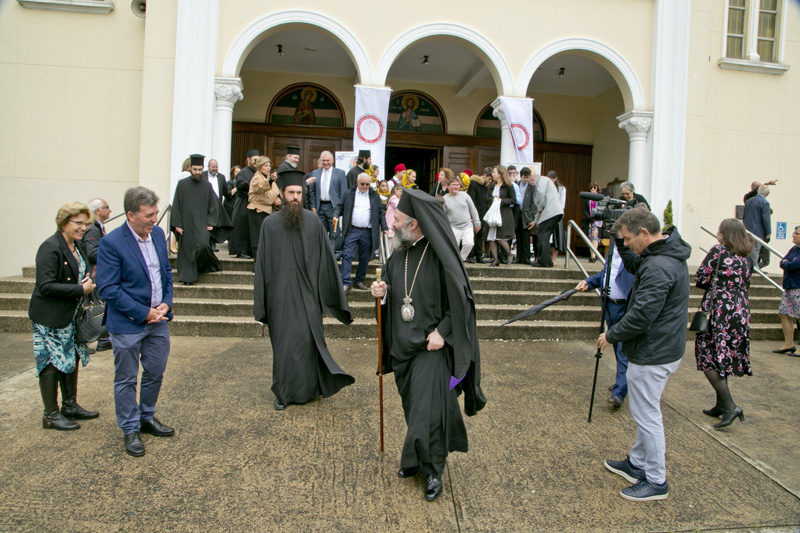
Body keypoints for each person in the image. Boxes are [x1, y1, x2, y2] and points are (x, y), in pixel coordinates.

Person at [370, 188, 486, 502]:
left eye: (398, 219)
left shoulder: (440, 255)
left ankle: (433, 469)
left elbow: (461, 302)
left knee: (429, 413)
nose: (392, 224)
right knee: (414, 410)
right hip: (404, 348)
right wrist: (382, 294)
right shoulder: (398, 253)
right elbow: (397, 296)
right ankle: (418, 459)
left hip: (432, 349)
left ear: (416, 224)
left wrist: (442, 332)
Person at [599, 206, 691, 501]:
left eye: (627, 239)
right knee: (645, 411)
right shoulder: (662, 255)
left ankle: (656, 480)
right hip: (661, 348)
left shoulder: (660, 265)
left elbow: (641, 315)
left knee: (647, 415)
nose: (625, 244)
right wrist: (615, 236)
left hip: (654, 352)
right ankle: (638, 464)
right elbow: (636, 266)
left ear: (644, 234)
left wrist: (610, 335)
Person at [253, 168, 354, 410]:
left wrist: (330, 297)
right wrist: (262, 302)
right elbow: (262, 265)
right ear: (283, 195)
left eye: (299, 192)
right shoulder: (269, 225)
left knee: (308, 344)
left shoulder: (314, 223)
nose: (295, 197)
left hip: (309, 298)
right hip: (280, 298)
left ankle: (310, 389)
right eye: (291, 193)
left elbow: (327, 261)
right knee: (285, 347)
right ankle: (284, 392)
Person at [97, 187, 175, 457]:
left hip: (159, 319)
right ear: (130, 215)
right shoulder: (112, 243)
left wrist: (167, 301)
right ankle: (130, 429)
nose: (155, 219)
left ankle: (146, 417)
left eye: (156, 213)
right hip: (129, 323)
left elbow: (165, 272)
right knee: (127, 379)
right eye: (149, 215)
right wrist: (144, 313)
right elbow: (108, 289)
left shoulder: (156, 234)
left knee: (155, 371)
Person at [29, 202, 99, 431]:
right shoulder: (50, 247)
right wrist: (81, 290)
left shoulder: (76, 245)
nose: (83, 228)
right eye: (78, 223)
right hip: (50, 317)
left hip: (70, 316)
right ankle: (50, 415)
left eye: (85, 223)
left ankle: (69, 406)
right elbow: (45, 286)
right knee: (50, 362)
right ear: (63, 222)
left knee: (71, 358)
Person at [694, 219, 753, 429]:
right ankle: (720, 404)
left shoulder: (718, 251)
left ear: (723, 235)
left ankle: (730, 406)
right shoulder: (747, 258)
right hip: (740, 310)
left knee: (707, 354)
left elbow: (700, 278)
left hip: (718, 310)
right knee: (723, 354)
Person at [577, 242, 634, 408]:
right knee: (617, 346)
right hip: (609, 304)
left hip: (625, 305)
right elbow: (606, 273)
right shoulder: (612, 248)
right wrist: (589, 282)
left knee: (622, 347)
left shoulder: (633, 249)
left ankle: (620, 392)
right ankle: (622, 381)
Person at [171, 154, 232, 285]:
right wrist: (177, 224)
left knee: (203, 245)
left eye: (199, 169)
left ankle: (203, 266)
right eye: (195, 169)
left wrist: (212, 223)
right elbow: (176, 205)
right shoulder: (182, 185)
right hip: (186, 224)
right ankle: (188, 278)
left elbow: (214, 206)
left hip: (202, 224)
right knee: (187, 249)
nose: (197, 172)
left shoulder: (207, 186)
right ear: (190, 168)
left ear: (203, 168)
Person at [335, 173, 387, 292]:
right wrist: (335, 215)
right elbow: (339, 206)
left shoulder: (374, 195)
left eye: (367, 184)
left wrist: (385, 228)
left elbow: (380, 213)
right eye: (362, 184)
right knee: (347, 255)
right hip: (352, 229)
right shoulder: (349, 193)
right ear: (357, 182)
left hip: (367, 231)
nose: (364, 186)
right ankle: (346, 282)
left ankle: (359, 280)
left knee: (365, 257)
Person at [83, 198, 113, 352]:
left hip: (98, 274)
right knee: (94, 308)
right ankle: (90, 339)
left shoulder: (97, 227)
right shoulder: (92, 229)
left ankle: (104, 339)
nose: (110, 210)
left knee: (101, 306)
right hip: (94, 275)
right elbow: (92, 253)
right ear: (97, 211)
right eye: (107, 207)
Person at [247, 156, 280, 260]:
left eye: (269, 165)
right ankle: (256, 263)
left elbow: (274, 193)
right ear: (260, 167)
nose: (268, 168)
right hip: (257, 211)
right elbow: (261, 187)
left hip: (268, 211)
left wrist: (276, 201)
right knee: (257, 237)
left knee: (266, 238)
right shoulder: (256, 178)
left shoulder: (268, 179)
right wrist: (270, 180)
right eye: (266, 166)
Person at [773, 225, 800, 355]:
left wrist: (787, 263)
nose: (793, 235)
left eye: (797, 233)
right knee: (783, 313)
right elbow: (783, 261)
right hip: (789, 286)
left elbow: (793, 265)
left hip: (798, 287)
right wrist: (787, 263)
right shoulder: (794, 249)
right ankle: (788, 344)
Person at [229, 149, 260, 258]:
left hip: (253, 204)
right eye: (254, 159)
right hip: (243, 203)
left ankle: (249, 250)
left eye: (258, 159)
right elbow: (240, 185)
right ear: (248, 160)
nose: (256, 162)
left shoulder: (258, 172)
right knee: (241, 227)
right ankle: (240, 251)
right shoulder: (243, 172)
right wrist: (253, 181)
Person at [309, 150, 347, 236]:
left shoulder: (340, 173)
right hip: (320, 207)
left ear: (332, 160)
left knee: (334, 234)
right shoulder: (315, 173)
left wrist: (339, 210)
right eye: (323, 160)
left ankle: (332, 249)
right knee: (319, 233)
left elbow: (343, 193)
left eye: (328, 160)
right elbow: (312, 191)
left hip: (333, 207)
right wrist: (313, 206)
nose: (325, 163)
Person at [530, 169, 564, 268]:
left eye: (531, 183)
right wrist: (535, 222)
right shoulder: (547, 182)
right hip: (555, 212)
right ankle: (548, 261)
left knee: (542, 236)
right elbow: (539, 211)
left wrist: (540, 208)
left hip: (551, 212)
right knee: (545, 235)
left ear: (533, 179)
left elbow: (540, 194)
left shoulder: (541, 180)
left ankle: (544, 261)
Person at [443, 175, 481, 261]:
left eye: (457, 185)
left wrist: (477, 223)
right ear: (448, 186)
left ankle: (460, 259)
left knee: (469, 243)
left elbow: (473, 209)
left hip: (467, 225)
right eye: (453, 185)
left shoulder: (464, 195)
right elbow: (444, 214)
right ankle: (454, 261)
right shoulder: (445, 198)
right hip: (453, 226)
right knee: (453, 246)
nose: (456, 187)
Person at [742, 184, 772, 269]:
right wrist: (768, 232)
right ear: (768, 193)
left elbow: (744, 216)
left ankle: (747, 266)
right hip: (758, 231)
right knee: (755, 250)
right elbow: (766, 219)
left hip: (747, 229)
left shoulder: (749, 201)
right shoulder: (764, 202)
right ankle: (754, 267)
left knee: (747, 249)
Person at [514, 168, 534, 265]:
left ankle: (526, 257)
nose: (526, 179)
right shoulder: (516, 185)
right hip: (518, 213)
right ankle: (519, 257)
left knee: (526, 237)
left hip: (526, 215)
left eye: (527, 177)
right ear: (521, 176)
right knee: (518, 236)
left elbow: (533, 203)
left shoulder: (531, 187)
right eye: (524, 177)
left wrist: (530, 215)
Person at [548, 171, 567, 264]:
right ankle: (548, 257)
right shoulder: (547, 188)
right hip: (548, 214)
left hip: (557, 214)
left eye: (552, 178)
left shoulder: (561, 189)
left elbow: (562, 203)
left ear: (555, 179)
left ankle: (554, 259)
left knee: (556, 238)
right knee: (548, 238)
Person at [582, 182, 603, 262]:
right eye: (591, 188)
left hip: (597, 220)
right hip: (590, 220)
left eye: (594, 188)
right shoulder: (587, 198)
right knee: (591, 238)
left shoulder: (600, 197)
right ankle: (592, 255)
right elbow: (584, 209)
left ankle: (593, 256)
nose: (592, 189)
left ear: (597, 188)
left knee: (595, 237)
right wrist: (588, 217)